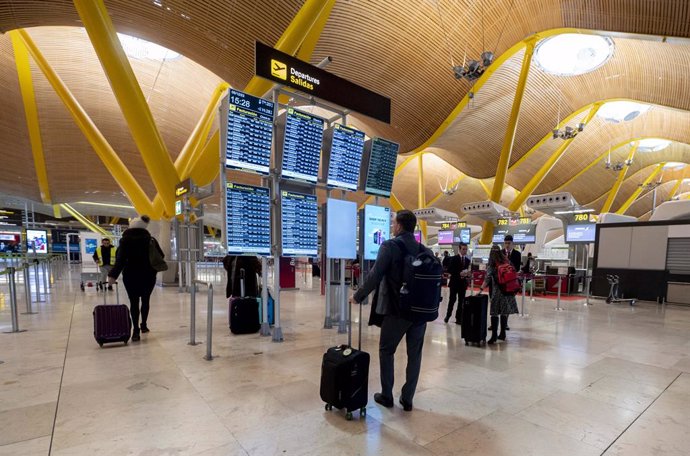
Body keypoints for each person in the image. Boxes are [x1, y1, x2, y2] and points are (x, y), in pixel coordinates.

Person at [351, 210, 428, 412]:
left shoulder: (390, 246)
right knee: (415, 355)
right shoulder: (423, 250)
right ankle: (408, 398)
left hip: (397, 310)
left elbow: (375, 276)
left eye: (394, 223)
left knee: (387, 350)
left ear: (399, 226)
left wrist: (358, 296)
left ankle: (387, 395)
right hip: (420, 312)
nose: (393, 227)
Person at [108, 215, 164, 342]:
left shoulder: (125, 241)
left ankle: (135, 332)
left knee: (134, 302)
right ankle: (143, 326)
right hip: (148, 275)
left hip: (130, 275)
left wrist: (113, 275)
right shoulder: (151, 240)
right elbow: (161, 255)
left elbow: (120, 260)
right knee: (145, 300)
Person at [479, 246, 519, 344]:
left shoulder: (492, 265)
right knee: (504, 312)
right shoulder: (507, 261)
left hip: (498, 292)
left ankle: (494, 336)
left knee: (494, 312)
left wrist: (480, 290)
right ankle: (503, 333)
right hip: (508, 291)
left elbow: (487, 279)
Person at [444, 243, 471, 324]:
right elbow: (449, 270)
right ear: (459, 249)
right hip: (454, 283)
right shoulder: (454, 258)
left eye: (466, 249)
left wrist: (467, 274)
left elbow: (467, 271)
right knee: (452, 300)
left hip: (462, 284)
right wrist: (459, 273)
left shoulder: (467, 260)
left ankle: (458, 318)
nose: (465, 251)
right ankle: (448, 315)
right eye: (463, 249)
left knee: (461, 301)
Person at [501, 235, 521, 331]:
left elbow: (516, 268)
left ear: (512, 244)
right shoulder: (500, 253)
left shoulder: (517, 254)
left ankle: (505, 323)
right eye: (505, 243)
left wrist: (508, 263)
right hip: (501, 282)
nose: (507, 245)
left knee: (508, 303)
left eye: (509, 243)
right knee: (499, 303)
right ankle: (497, 322)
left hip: (510, 282)